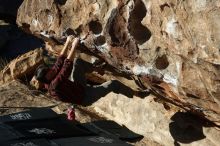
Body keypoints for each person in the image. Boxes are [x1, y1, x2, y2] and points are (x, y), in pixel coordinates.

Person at [31, 36, 84, 104]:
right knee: (78, 62)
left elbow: (59, 62)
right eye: (48, 70)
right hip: (80, 96)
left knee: (73, 65)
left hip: (72, 89)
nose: (50, 69)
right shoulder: (55, 84)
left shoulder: (48, 78)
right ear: (46, 75)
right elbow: (66, 67)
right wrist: (74, 45)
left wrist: (67, 42)